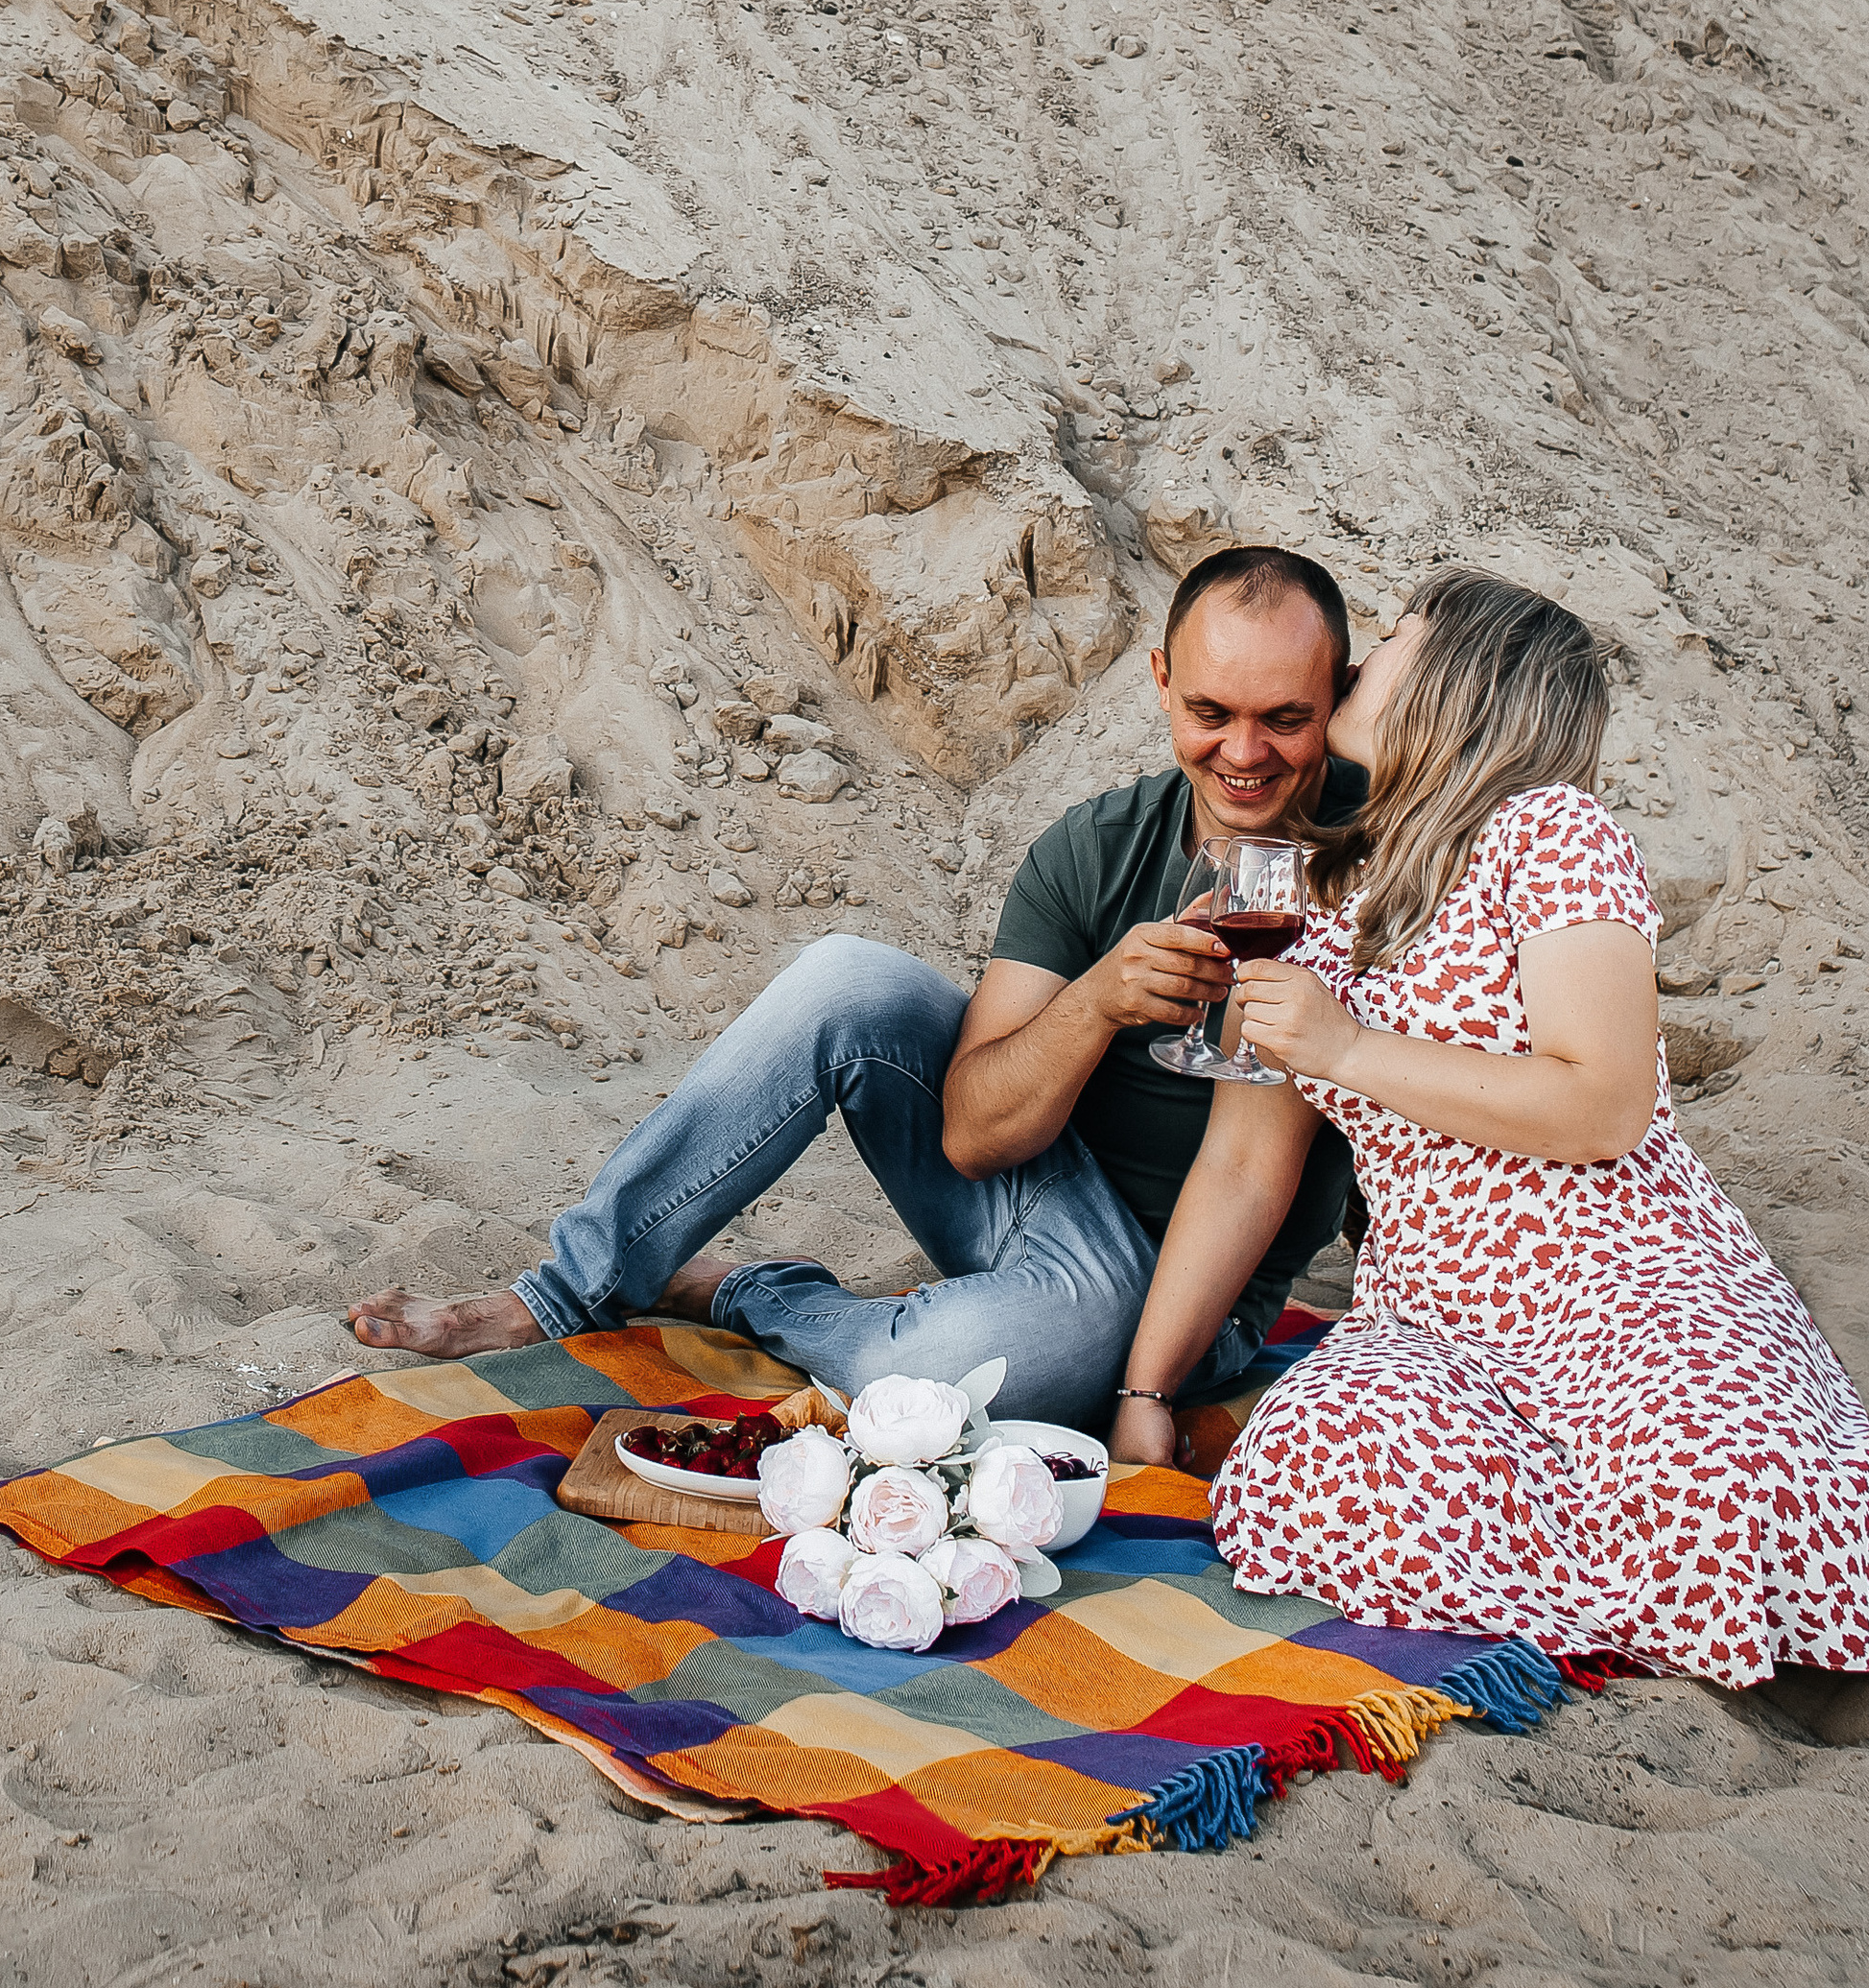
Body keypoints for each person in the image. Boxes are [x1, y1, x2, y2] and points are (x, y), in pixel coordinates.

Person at [1199, 566, 1869, 1689]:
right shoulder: (1324, 894)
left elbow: (1603, 1104)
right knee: (1310, 1467)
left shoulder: (1550, 834)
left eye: (1399, 635)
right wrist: (1141, 1388)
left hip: (1625, 1275)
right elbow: (1240, 1163)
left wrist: (1350, 1051)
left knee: (1721, 1508)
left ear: (1465, 680)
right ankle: (1626, 1572)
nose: (1362, 660)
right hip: (1435, 1308)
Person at [346, 545, 1360, 1451]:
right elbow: (970, 1138)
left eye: (1284, 719)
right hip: (1034, 1191)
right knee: (848, 976)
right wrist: (1097, 1002)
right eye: (1209, 713)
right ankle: (561, 1292)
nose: (1242, 753)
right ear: (1161, 683)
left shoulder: (1386, 869)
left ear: (1340, 698)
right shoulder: (1097, 845)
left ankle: (742, 1289)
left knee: (940, 1375)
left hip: (1182, 1300)